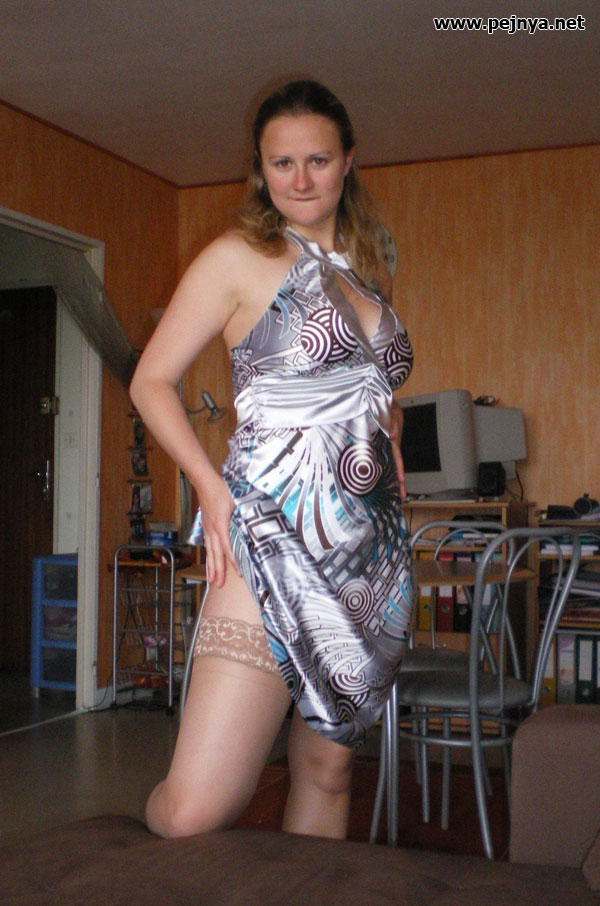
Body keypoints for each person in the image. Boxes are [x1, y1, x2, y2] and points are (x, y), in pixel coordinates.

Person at [130, 79, 414, 841]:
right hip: (267, 537)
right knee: (197, 809)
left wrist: (388, 433)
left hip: (369, 552)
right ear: (260, 169)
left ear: (347, 160)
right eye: (281, 163)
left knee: (328, 771)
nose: (300, 180)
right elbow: (150, 381)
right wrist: (207, 487)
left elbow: (368, 388)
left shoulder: (365, 269)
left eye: (318, 160)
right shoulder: (237, 258)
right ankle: (120, 840)